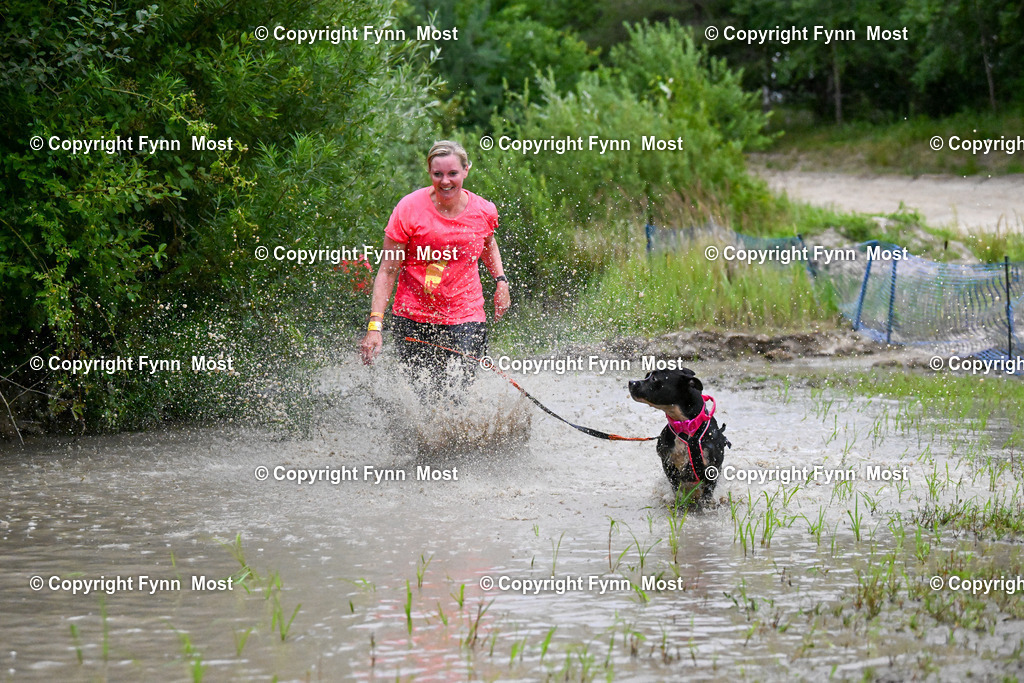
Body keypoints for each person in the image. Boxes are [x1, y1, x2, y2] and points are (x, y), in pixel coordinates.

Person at [359, 140, 510, 390]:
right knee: (426, 393)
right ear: (430, 173)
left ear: (465, 171)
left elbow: (488, 243)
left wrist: (501, 281)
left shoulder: (483, 210)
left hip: (466, 314)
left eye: (452, 173)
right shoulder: (408, 209)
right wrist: (375, 325)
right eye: (438, 174)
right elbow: (387, 271)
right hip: (414, 316)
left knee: (458, 388)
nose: (445, 181)